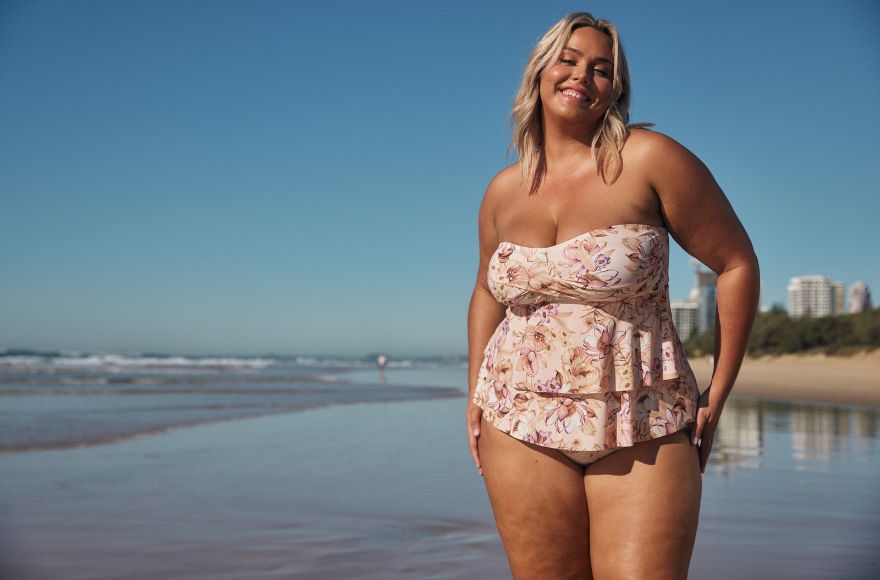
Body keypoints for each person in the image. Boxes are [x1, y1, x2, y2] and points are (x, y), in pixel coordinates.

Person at [466, 12, 760, 579]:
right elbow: (485, 292)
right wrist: (476, 390)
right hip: (519, 419)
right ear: (540, 72)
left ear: (615, 91)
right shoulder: (502, 192)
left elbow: (736, 263)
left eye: (602, 70)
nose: (583, 75)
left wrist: (718, 393)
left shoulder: (650, 159)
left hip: (644, 417)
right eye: (569, 59)